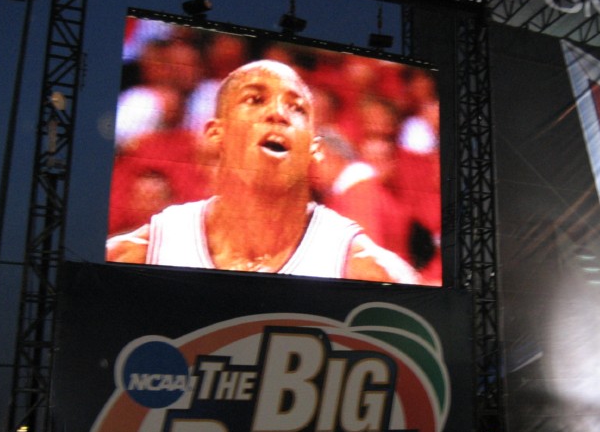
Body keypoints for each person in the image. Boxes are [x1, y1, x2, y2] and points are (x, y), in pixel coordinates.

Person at [106, 59, 421, 284]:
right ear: (216, 133)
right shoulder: (140, 253)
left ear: (314, 146)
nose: (277, 113)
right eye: (255, 99)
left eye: (296, 108)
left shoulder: (369, 270)